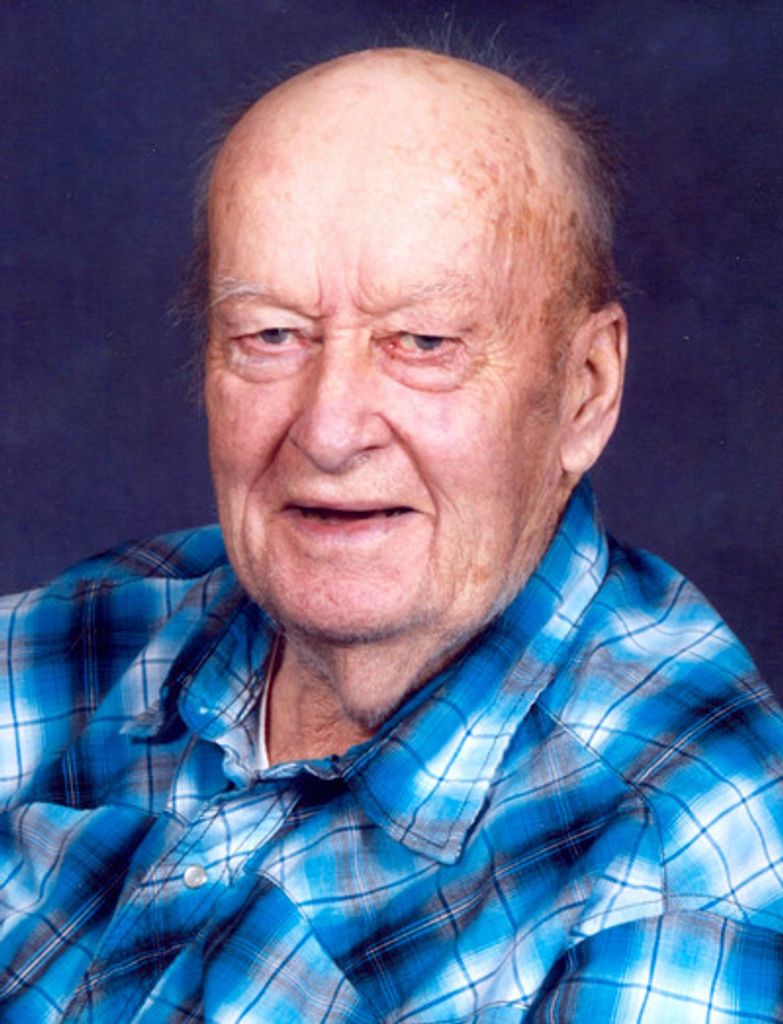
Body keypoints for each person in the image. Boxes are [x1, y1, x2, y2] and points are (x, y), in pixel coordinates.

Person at [1, 46, 782, 1023]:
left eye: (424, 342)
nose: (329, 431)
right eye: (270, 335)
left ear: (585, 391)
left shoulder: (674, 873)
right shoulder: (77, 635)